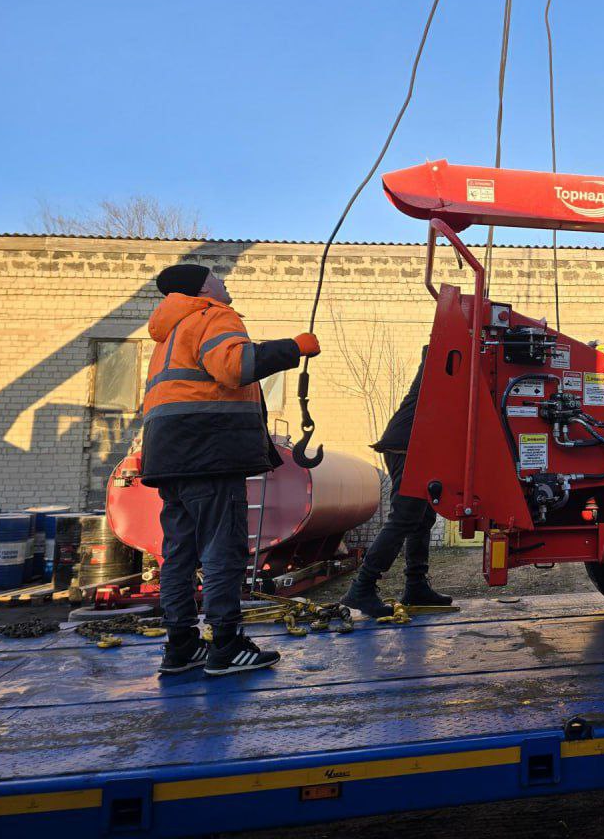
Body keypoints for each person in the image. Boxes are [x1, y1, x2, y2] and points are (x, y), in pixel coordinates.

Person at [140, 263, 320, 676]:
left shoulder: (170, 332)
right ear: (204, 287)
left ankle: (181, 645)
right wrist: (294, 348)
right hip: (209, 452)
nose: (224, 282)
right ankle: (226, 645)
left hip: (169, 456)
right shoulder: (213, 315)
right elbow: (235, 367)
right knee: (223, 549)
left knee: (179, 553)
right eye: (217, 276)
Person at [342, 346, 452, 617]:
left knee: (423, 518)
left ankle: (416, 585)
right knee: (404, 518)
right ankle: (361, 587)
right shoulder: (442, 357)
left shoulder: (446, 359)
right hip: (408, 446)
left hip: (417, 445)